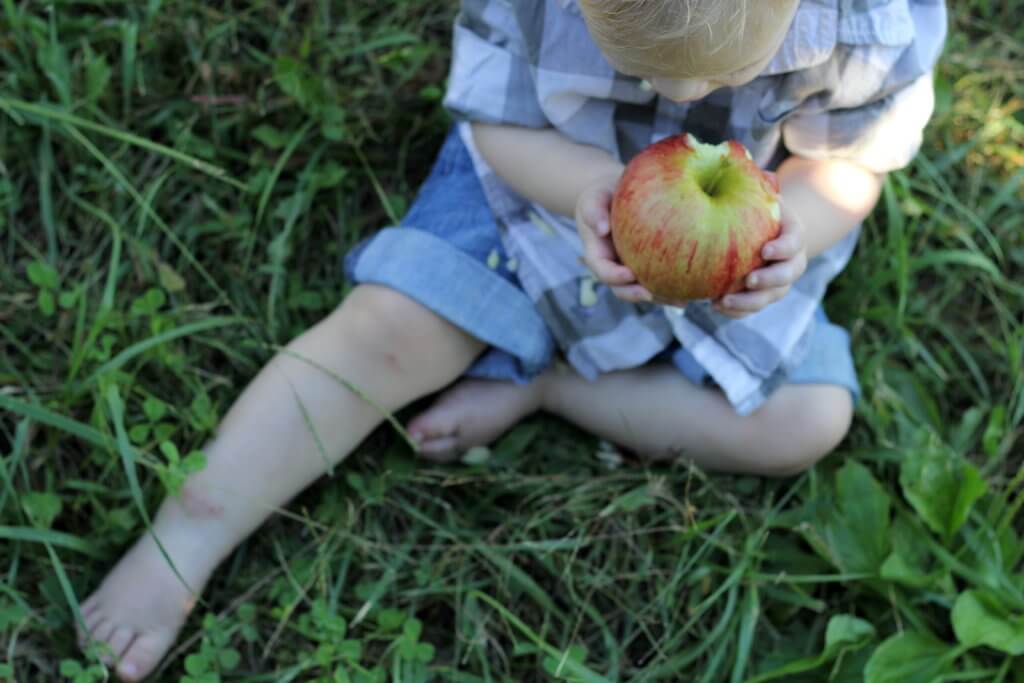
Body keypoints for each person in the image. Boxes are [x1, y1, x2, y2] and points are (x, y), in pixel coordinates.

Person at [77, 0, 947, 679]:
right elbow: (500, 123)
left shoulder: (870, 22)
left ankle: (544, 383)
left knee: (807, 422)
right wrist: (594, 192)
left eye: (721, 74)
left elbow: (847, 164)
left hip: (739, 254)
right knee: (383, 333)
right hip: (541, 188)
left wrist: (789, 232)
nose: (681, 105)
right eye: (640, 70)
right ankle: (191, 527)